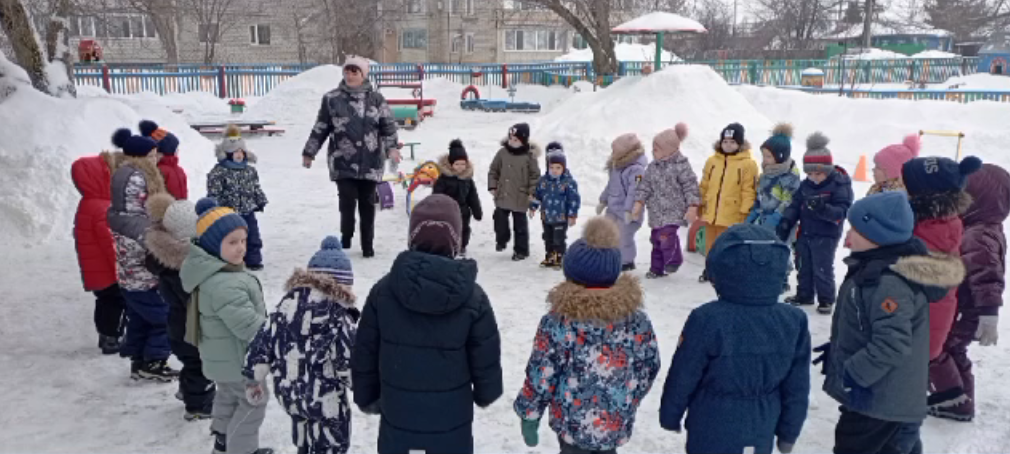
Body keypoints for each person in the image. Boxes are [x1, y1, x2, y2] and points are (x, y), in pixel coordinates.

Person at [352, 194, 503, 454]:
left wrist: (366, 396)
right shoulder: (473, 297)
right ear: (456, 240)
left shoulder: (384, 291)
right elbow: (485, 353)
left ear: (412, 238)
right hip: (451, 419)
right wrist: (487, 392)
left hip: (398, 414)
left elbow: (365, 349)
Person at [823, 191, 964, 454]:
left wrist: (853, 371)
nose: (847, 238)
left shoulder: (888, 283)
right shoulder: (875, 269)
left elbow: (891, 343)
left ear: (879, 237)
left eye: (855, 230)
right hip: (890, 402)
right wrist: (840, 346)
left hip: (880, 404)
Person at [659, 223, 810, 454]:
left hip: (710, 424)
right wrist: (789, 431)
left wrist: (671, 415)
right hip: (761, 424)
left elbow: (684, 373)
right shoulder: (793, 320)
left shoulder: (707, 318)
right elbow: (797, 385)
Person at [514, 216, 660, 454]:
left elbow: (542, 372)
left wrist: (529, 413)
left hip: (572, 426)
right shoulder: (637, 321)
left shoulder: (558, 322)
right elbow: (649, 365)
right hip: (613, 423)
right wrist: (627, 397)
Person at [245, 236, 359, 454]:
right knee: (332, 442)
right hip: (326, 400)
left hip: (291, 395)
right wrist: (367, 389)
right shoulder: (337, 317)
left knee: (303, 433)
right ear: (341, 286)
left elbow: (261, 343)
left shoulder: (285, 308)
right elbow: (349, 361)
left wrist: (253, 377)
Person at [181, 198, 271, 454]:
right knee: (253, 404)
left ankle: (223, 440)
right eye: (232, 242)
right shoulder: (225, 285)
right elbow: (248, 327)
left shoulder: (216, 274)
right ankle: (241, 450)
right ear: (211, 246)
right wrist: (275, 335)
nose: (241, 248)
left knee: (228, 398)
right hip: (241, 362)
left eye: (243, 240)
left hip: (224, 362)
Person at [899, 156, 982, 415]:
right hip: (934, 299)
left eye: (906, 184)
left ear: (924, 192)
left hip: (931, 302)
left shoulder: (929, 224)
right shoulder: (940, 218)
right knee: (929, 351)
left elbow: (916, 261)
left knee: (929, 351)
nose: (902, 187)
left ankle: (954, 399)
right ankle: (952, 397)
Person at [930, 164, 1010, 422]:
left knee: (941, 349)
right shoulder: (980, 227)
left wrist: (989, 314)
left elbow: (988, 276)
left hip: (967, 309)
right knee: (954, 349)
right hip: (964, 306)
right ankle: (961, 400)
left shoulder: (980, 233)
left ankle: (953, 399)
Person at [301, 55, 400, 258]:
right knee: (347, 201)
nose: (350, 75)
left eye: (354, 71)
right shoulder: (332, 99)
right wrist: (309, 152)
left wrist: (392, 149)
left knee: (367, 203)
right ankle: (346, 236)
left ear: (363, 75)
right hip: (342, 159)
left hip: (371, 160)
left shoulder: (376, 99)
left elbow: (388, 127)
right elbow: (321, 127)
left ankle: (367, 245)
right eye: (347, 71)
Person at [107, 128, 176, 380]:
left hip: (131, 277)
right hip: (143, 275)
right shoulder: (138, 179)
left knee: (139, 316)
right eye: (152, 154)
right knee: (163, 316)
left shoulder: (123, 176)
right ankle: (154, 362)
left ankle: (138, 359)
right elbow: (146, 215)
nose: (156, 158)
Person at [144, 193, 215, 421]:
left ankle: (187, 390)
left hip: (177, 325)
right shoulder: (188, 269)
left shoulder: (166, 263)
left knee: (191, 362)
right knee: (201, 366)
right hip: (193, 328)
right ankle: (198, 406)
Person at [778, 132, 854, 314]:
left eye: (817, 173)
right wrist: (786, 221)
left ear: (827, 169)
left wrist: (822, 208)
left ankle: (826, 299)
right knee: (803, 264)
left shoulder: (839, 185)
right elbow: (795, 204)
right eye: (810, 173)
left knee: (822, 267)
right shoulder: (806, 185)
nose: (813, 177)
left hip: (826, 233)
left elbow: (842, 211)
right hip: (805, 232)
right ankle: (805, 294)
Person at [630, 124, 701, 279]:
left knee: (666, 237)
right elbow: (644, 186)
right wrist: (639, 202)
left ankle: (674, 260)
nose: (652, 152)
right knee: (656, 241)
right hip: (656, 212)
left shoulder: (681, 166)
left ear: (668, 150)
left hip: (673, 212)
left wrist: (693, 206)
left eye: (656, 149)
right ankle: (657, 269)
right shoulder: (652, 167)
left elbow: (691, 186)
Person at [72, 151, 125, 355]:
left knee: (104, 301)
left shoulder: (88, 204)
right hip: (108, 270)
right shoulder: (102, 208)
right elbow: (109, 243)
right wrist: (122, 263)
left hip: (96, 270)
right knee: (116, 302)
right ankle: (112, 337)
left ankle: (106, 335)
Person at [698, 122, 759, 282]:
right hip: (712, 212)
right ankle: (710, 269)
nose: (728, 145)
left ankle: (725, 271)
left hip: (732, 213)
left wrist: (745, 212)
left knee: (727, 244)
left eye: (732, 142)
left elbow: (749, 189)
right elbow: (704, 184)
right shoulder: (712, 161)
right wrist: (700, 203)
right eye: (725, 141)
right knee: (710, 244)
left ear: (739, 144)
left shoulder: (748, 164)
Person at [746, 123, 801, 292]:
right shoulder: (766, 173)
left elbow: (789, 200)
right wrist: (755, 210)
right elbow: (760, 193)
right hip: (763, 217)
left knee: (780, 249)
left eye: (768, 157)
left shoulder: (790, 175)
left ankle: (782, 277)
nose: (765, 161)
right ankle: (765, 275)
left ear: (780, 156)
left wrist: (777, 217)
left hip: (782, 222)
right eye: (764, 156)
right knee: (762, 247)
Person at [208, 125, 268, 271]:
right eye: (235, 152)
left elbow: (255, 187)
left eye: (241, 151)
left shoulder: (249, 170)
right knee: (232, 238)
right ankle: (230, 260)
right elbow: (214, 191)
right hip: (229, 212)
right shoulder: (219, 172)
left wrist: (260, 200)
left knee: (252, 236)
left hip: (248, 210)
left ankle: (253, 260)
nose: (239, 154)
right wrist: (214, 205)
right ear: (227, 154)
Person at [489, 123, 542, 261]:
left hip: (520, 195)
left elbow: (535, 176)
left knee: (520, 226)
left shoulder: (529, 157)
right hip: (503, 193)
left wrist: (532, 192)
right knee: (499, 218)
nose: (512, 141)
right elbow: (493, 170)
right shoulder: (502, 153)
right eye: (510, 138)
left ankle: (521, 250)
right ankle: (502, 239)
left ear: (523, 140)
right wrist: (493, 186)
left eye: (516, 139)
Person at [598, 133, 648, 271]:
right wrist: (603, 200)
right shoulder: (616, 167)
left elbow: (635, 191)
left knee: (624, 236)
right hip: (613, 209)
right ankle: (610, 258)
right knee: (607, 232)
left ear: (624, 152)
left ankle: (626, 261)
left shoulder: (636, 170)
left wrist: (629, 211)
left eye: (615, 150)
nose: (612, 153)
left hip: (629, 212)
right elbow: (611, 185)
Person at [530, 145, 580, 268]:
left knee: (559, 239)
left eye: (558, 167)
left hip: (561, 217)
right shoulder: (543, 181)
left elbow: (573, 199)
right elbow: (538, 195)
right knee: (548, 238)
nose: (554, 170)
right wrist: (533, 207)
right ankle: (549, 256)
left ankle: (559, 256)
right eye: (551, 167)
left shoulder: (568, 182)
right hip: (546, 216)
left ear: (563, 167)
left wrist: (572, 215)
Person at [433, 139, 483, 258]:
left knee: (464, 229)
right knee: (448, 229)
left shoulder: (467, 179)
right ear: (451, 164)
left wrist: (477, 211)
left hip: (463, 210)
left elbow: (473, 196)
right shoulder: (443, 179)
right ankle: (447, 246)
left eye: (463, 164)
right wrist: (436, 210)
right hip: (447, 211)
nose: (460, 167)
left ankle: (462, 246)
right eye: (457, 164)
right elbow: (437, 196)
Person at [140, 119, 187, 200]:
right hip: (166, 210)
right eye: (176, 149)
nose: (178, 151)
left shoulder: (178, 169)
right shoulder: (159, 170)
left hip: (177, 209)